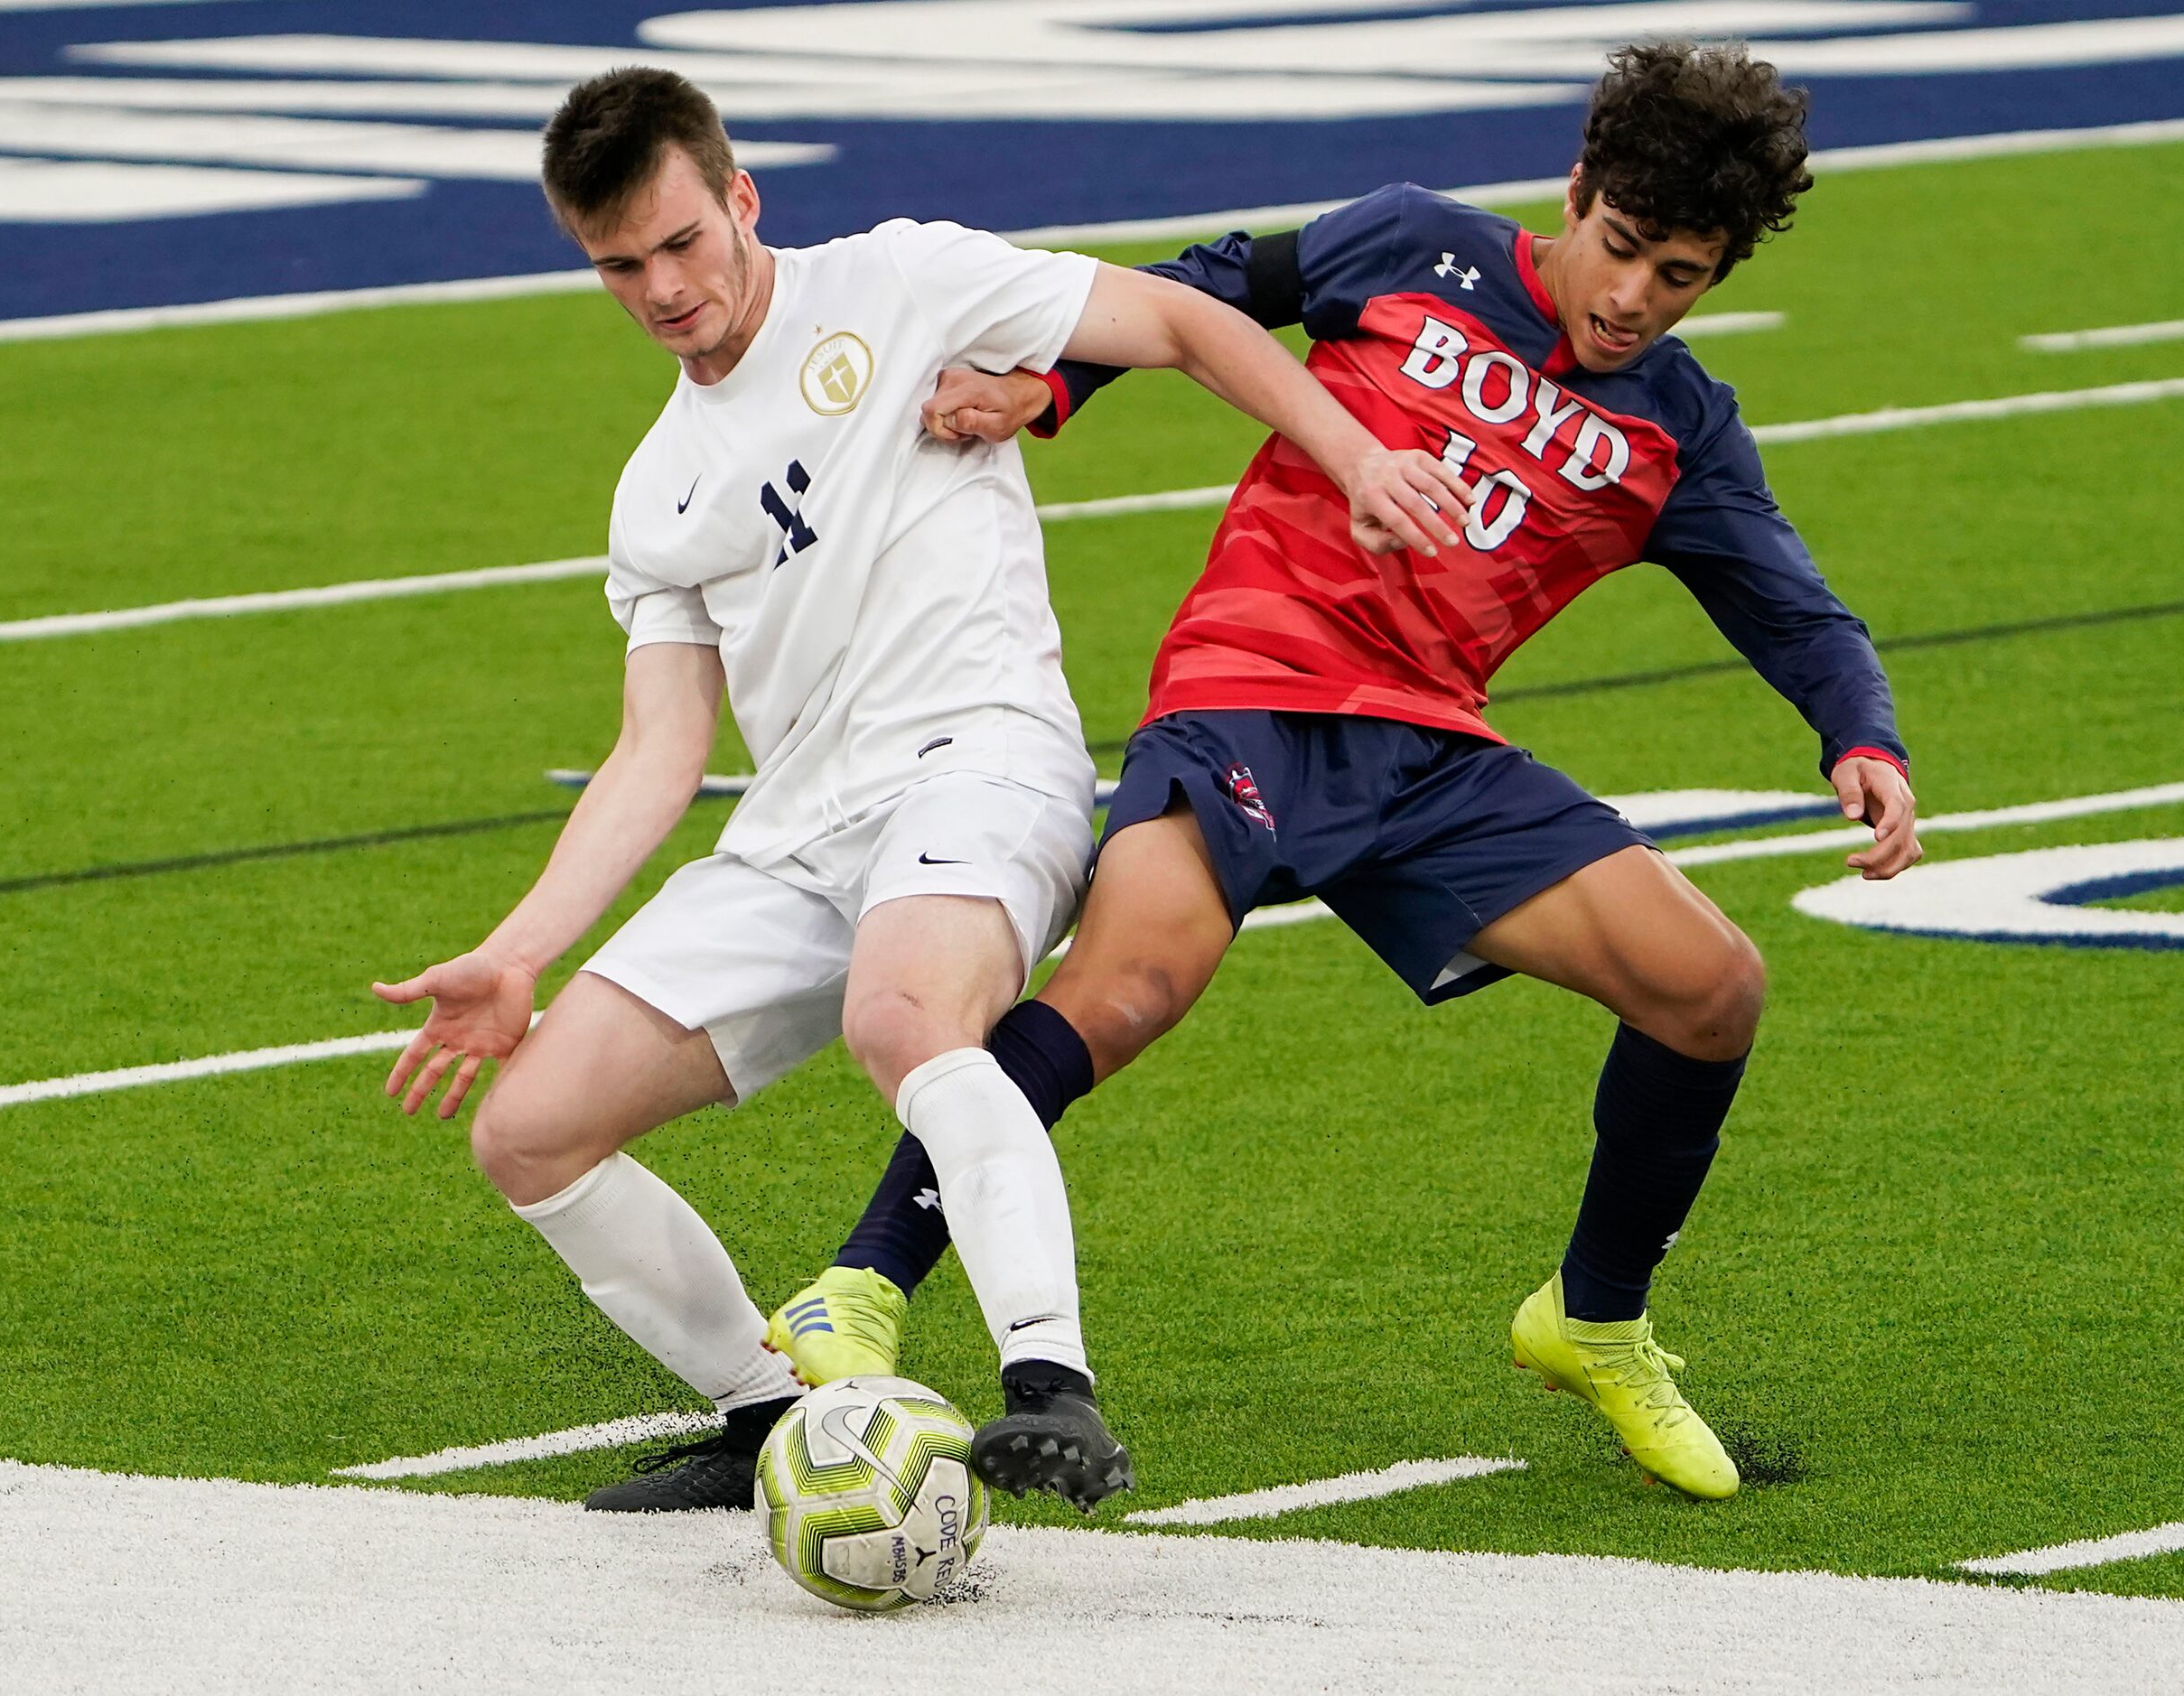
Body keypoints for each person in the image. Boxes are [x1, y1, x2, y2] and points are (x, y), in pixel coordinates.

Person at [770, 41, 1921, 1500]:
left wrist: (1862, 737)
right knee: (1123, 992)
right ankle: (860, 1279)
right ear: (1575, 192)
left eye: (1681, 273)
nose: (1634, 296)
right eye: (1621, 247)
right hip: (1248, 691)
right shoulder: (1412, 241)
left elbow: (1792, 605)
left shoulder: (1677, 426)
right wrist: (1037, 390)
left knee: (1711, 988)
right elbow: (1195, 293)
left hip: (1433, 750)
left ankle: (1594, 1317)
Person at [370, 66, 1472, 1514]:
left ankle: (1049, 1386)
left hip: (982, 754)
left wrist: (1354, 456)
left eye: (681, 242)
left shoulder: (900, 279)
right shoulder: (655, 493)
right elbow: (658, 751)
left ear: (739, 197)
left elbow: (1185, 321)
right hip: (798, 833)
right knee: (528, 1127)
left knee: (900, 1014)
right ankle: (764, 1413)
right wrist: (521, 951)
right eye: (618, 266)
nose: (659, 288)